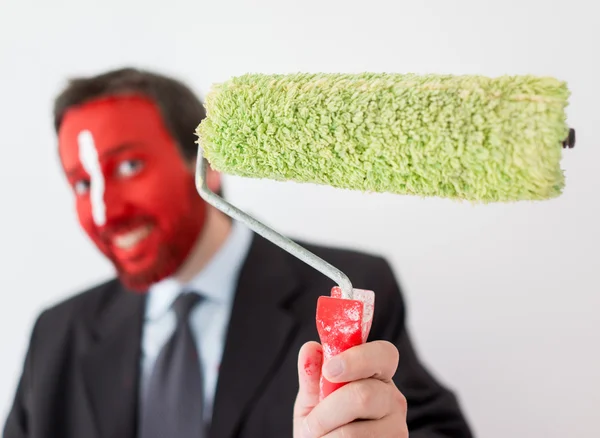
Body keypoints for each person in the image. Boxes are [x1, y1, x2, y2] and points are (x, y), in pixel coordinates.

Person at [3, 67, 473, 438]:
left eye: (129, 165)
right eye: (83, 183)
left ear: (208, 167)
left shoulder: (349, 289)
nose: (105, 213)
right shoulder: (56, 333)